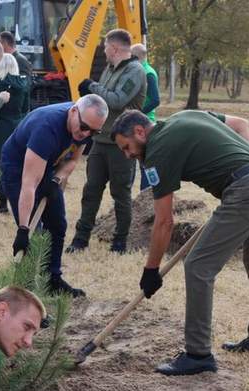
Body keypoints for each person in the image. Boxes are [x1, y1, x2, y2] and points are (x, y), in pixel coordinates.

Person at [111, 109, 249, 376]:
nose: (128, 155)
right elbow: (239, 124)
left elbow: (164, 222)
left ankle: (198, 354)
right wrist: (242, 170)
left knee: (198, 266)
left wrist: (151, 270)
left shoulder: (157, 153)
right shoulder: (187, 115)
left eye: (126, 147)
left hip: (248, 188)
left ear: (140, 132)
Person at [1, 95, 108, 298]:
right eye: (84, 127)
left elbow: (73, 160)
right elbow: (29, 183)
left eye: (94, 132)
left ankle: (52, 280)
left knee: (57, 225)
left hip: (48, 167)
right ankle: (27, 292)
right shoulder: (46, 127)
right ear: (74, 111)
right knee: (34, 235)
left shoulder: (84, 127)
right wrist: (23, 230)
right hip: (18, 167)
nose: (85, 134)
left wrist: (55, 180)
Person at [66, 29, 146, 254]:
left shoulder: (135, 71)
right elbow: (100, 101)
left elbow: (117, 100)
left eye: (105, 47)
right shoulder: (110, 69)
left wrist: (92, 86)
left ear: (114, 48)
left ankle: (120, 242)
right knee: (91, 191)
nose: (104, 51)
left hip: (123, 145)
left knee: (121, 194)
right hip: (101, 140)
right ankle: (81, 239)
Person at [0, 53, 28, 213]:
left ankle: (2, 204)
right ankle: (19, 202)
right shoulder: (24, 83)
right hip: (18, 127)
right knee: (17, 166)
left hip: (0, 128)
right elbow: (26, 108)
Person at [131, 43, 160, 191]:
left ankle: (148, 195)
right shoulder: (141, 71)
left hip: (146, 122)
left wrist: (138, 113)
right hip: (138, 122)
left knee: (146, 163)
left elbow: (155, 99)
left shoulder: (148, 73)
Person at [0, 30, 32, 112]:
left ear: (4, 44)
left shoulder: (21, 60)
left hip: (16, 109)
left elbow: (25, 85)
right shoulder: (4, 59)